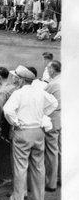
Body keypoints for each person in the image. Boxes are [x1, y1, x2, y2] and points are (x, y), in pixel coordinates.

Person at [3, 65, 58, 200]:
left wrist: (15, 122)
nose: (15, 79)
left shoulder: (18, 93)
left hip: (23, 131)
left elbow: (7, 110)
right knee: (39, 166)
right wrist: (42, 114)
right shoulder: (39, 92)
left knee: (21, 166)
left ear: (21, 80)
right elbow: (54, 103)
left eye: (16, 78)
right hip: (38, 131)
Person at [44, 60, 61, 192]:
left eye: (48, 68)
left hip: (54, 118)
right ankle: (60, 177)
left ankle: (51, 183)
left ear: (53, 70)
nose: (47, 70)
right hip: (63, 116)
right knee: (59, 149)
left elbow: (43, 97)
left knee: (51, 151)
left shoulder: (53, 83)